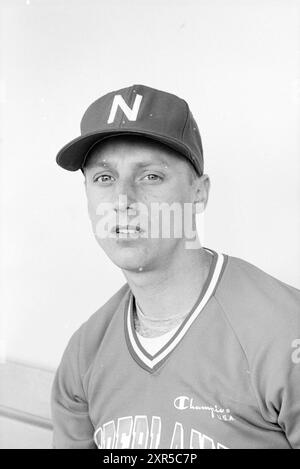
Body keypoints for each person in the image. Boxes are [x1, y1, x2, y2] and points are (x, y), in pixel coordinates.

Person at [51, 84, 300, 449]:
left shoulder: (283, 333)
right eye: (104, 178)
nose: (122, 201)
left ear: (199, 192)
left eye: (150, 176)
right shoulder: (83, 355)